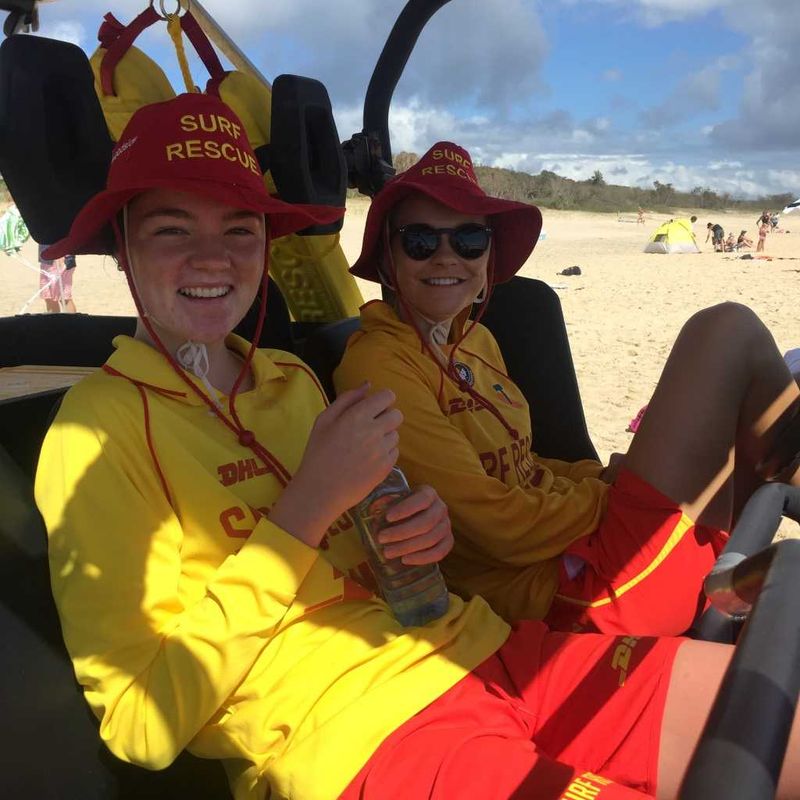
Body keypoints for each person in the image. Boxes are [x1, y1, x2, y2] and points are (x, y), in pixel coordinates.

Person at [33, 94, 800, 800]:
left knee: (776, 707)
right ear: (120, 247)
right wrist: (305, 511)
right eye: (172, 229)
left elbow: (369, 551)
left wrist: (418, 536)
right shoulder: (96, 428)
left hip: (482, 646)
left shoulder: (291, 381)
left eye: (240, 229)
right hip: (353, 731)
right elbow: (139, 727)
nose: (213, 257)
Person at [334, 141, 800, 636]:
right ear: (387, 258)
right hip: (568, 594)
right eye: (420, 241)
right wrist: (610, 498)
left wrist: (597, 477)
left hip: (579, 548)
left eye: (469, 239)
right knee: (725, 331)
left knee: (734, 358)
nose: (447, 257)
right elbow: (495, 525)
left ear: (488, 256)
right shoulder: (380, 364)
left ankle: (731, 584)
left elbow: (524, 465)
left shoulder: (475, 340)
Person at [37, 242, 77, 313]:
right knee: (49, 297)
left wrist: (66, 255)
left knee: (63, 297)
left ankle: (72, 320)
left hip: (60, 256)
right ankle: (54, 319)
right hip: (46, 258)